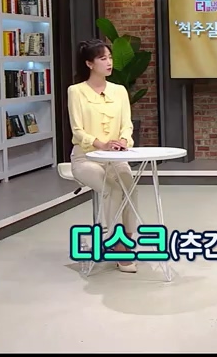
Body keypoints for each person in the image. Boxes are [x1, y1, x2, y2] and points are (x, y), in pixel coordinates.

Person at [67, 39, 139, 273]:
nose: (109, 62)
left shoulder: (119, 91)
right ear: (89, 64)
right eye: (103, 58)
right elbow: (78, 130)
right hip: (86, 158)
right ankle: (117, 245)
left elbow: (127, 125)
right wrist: (101, 144)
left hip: (115, 158)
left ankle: (128, 238)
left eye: (110, 57)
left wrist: (123, 141)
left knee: (130, 186)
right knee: (113, 188)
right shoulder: (76, 91)